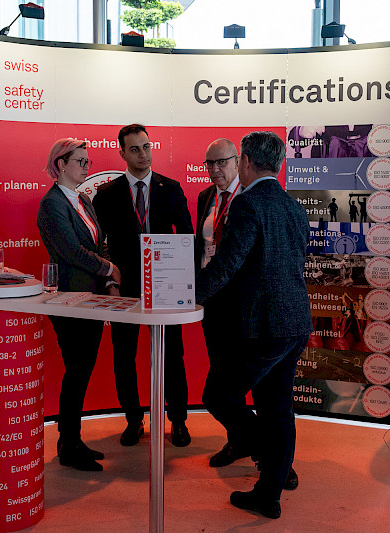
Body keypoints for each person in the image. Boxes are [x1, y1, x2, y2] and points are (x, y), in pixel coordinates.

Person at [196, 131, 312, 519]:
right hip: (294, 322)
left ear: (245, 162)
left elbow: (227, 263)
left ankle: (262, 451)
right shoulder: (293, 206)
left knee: (218, 396)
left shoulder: (247, 204)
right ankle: (268, 494)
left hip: (261, 327)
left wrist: (189, 294)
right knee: (277, 408)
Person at [93, 124, 194, 447]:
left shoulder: (171, 188)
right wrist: (109, 281)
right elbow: (99, 244)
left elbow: (186, 236)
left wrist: (183, 281)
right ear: (122, 153)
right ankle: (133, 419)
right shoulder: (107, 194)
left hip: (166, 286)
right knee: (123, 355)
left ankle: (178, 420)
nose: (143, 154)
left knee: (172, 354)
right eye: (135, 149)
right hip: (124, 287)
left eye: (147, 147)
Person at [36, 138, 121, 471]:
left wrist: (110, 279)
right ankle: (68, 443)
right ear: (61, 164)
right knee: (77, 370)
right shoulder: (52, 204)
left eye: (88, 162)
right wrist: (108, 269)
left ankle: (71, 440)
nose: (87, 167)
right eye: (81, 161)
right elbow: (71, 250)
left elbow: (100, 243)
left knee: (82, 370)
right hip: (70, 300)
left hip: (93, 299)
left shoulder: (83, 199)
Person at [194, 138, 245, 467]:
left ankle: (258, 443)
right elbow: (202, 246)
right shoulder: (205, 197)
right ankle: (237, 439)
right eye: (209, 163)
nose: (214, 170)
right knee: (221, 372)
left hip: (241, 302)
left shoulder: (249, 197)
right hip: (210, 299)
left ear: (237, 161)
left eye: (221, 162)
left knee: (235, 380)